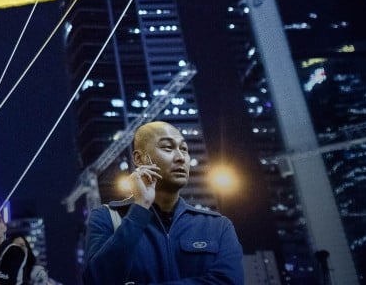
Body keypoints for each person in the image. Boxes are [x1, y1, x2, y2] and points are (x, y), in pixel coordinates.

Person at [82, 120, 244, 284]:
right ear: (139, 159)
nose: (181, 158)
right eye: (168, 147)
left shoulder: (217, 226)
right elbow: (96, 280)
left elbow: (229, 282)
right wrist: (140, 208)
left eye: (184, 149)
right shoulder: (107, 217)